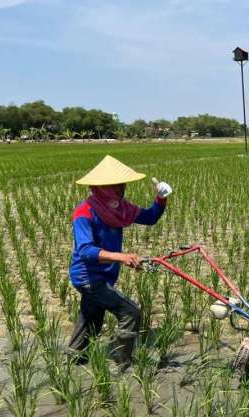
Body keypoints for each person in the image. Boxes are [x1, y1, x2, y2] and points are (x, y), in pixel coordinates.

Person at [67, 155, 173, 367]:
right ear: (105, 187)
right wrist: (122, 257)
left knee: (91, 318)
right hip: (88, 277)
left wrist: (160, 198)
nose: (123, 188)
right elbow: (86, 251)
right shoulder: (84, 212)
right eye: (118, 185)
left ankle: (74, 359)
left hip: (104, 274)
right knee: (130, 312)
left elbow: (150, 217)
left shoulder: (120, 209)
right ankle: (120, 358)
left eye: (122, 184)